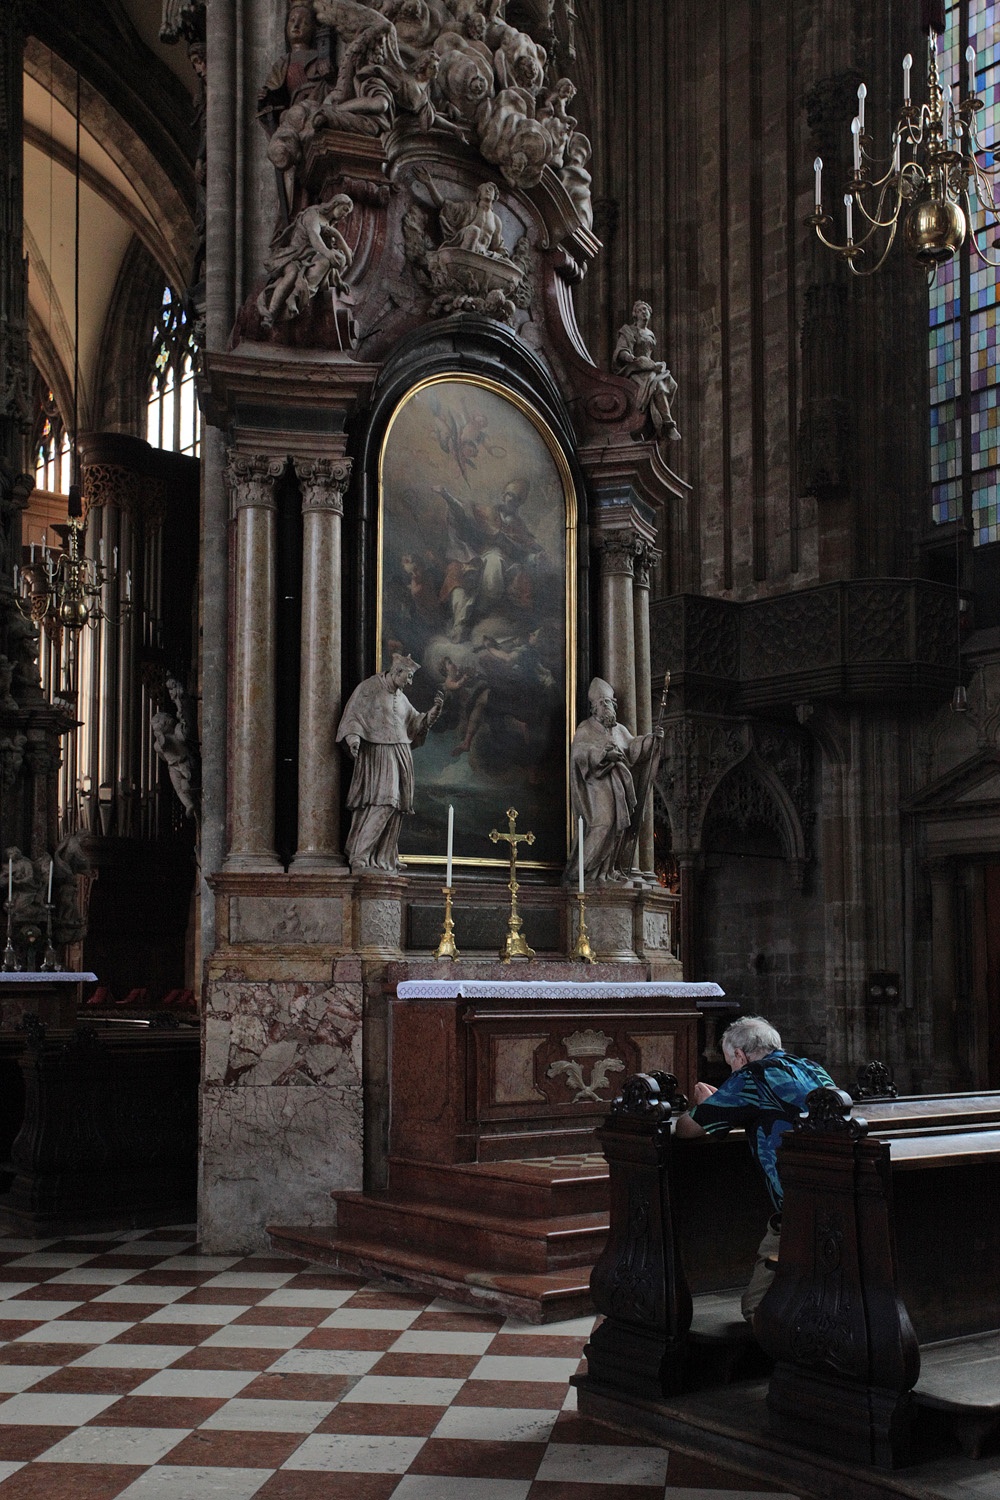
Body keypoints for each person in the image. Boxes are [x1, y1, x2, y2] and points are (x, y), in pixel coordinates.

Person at [673, 1015, 837, 1321]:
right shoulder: (814, 1070)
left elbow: (686, 1129)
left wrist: (708, 1104)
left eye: (730, 1062)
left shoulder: (751, 1077)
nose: (732, 1069)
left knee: (756, 1307)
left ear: (739, 1055)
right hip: (834, 1193)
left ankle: (801, 1357)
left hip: (796, 1209)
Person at [336, 653, 443, 872]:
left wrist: (433, 712)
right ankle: (360, 854)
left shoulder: (401, 697)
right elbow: (353, 716)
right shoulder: (369, 688)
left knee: (396, 807)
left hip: (400, 752)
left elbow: (414, 723)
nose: (410, 682)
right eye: (409, 676)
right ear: (397, 672)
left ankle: (384, 856)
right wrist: (353, 738)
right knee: (385, 801)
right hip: (379, 752)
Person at [567, 677, 662, 883]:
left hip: (619, 786)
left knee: (617, 828)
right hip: (597, 786)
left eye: (608, 702)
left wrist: (651, 740)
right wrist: (603, 755)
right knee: (604, 824)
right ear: (594, 709)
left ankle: (606, 871)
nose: (605, 707)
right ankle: (581, 873)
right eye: (601, 703)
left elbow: (633, 748)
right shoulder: (586, 728)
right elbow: (579, 754)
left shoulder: (619, 730)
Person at [613, 299, 682, 442]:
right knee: (657, 384)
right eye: (640, 310)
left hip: (648, 366)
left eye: (646, 310)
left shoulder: (650, 333)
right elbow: (621, 351)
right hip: (634, 369)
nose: (643, 312)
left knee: (671, 383)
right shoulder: (628, 330)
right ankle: (668, 423)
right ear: (635, 314)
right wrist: (630, 358)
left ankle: (661, 419)